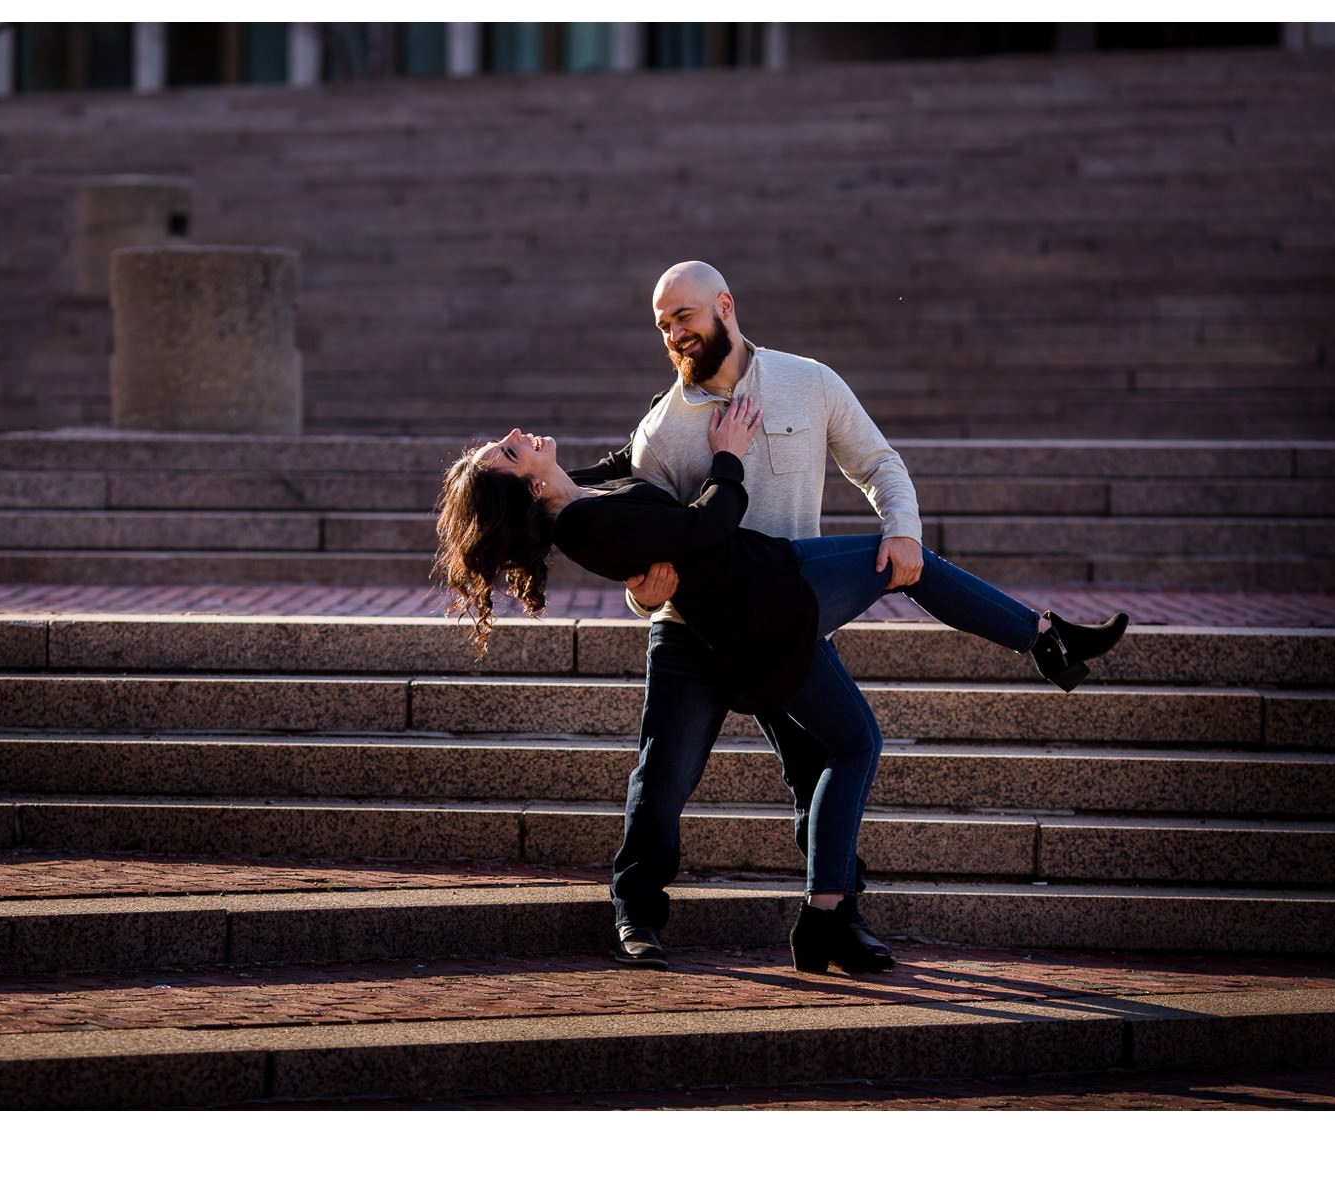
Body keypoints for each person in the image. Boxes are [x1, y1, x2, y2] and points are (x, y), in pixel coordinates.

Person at [433, 398, 1128, 975]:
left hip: (762, 602)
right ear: (527, 486)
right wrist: (729, 449)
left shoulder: (579, 494)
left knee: (853, 720)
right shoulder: (582, 520)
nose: (519, 435)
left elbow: (631, 461)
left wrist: (679, 397)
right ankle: (1044, 637)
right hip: (769, 594)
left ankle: (830, 913)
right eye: (512, 450)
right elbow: (706, 525)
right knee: (901, 566)